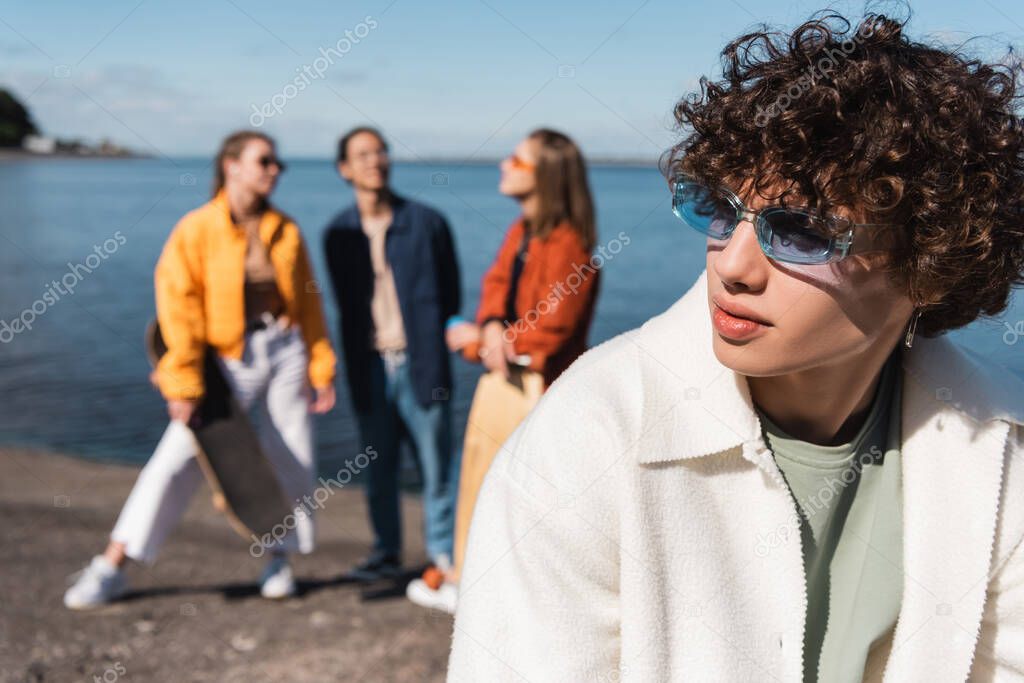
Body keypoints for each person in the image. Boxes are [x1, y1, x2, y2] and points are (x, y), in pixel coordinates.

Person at [449, 12, 1024, 681]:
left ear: (930, 261)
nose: (732, 264)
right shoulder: (588, 436)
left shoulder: (999, 446)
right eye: (719, 207)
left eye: (800, 231)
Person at [63, 130, 338, 609]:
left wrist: (321, 363)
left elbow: (309, 302)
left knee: (292, 454)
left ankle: (279, 558)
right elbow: (178, 308)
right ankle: (112, 564)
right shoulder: (196, 229)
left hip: (286, 346)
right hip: (228, 356)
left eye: (278, 164)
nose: (275, 170)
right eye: (265, 161)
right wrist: (184, 380)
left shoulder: (286, 229)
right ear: (231, 166)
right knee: (176, 457)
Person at [406, 129, 601, 613]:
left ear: (546, 175)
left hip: (536, 390)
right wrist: (492, 331)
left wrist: (485, 343)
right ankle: (471, 579)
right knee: (480, 479)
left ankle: (488, 592)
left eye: (516, 159)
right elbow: (496, 288)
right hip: (509, 381)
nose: (503, 164)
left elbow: (554, 329)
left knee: (518, 495)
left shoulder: (569, 246)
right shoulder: (523, 233)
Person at [323, 126, 461, 583]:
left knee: (436, 468)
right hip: (370, 367)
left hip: (422, 362)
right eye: (362, 155)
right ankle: (385, 552)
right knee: (376, 467)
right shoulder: (337, 233)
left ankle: (442, 557)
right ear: (344, 169)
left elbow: (451, 294)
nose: (375, 161)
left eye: (380, 152)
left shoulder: (427, 222)